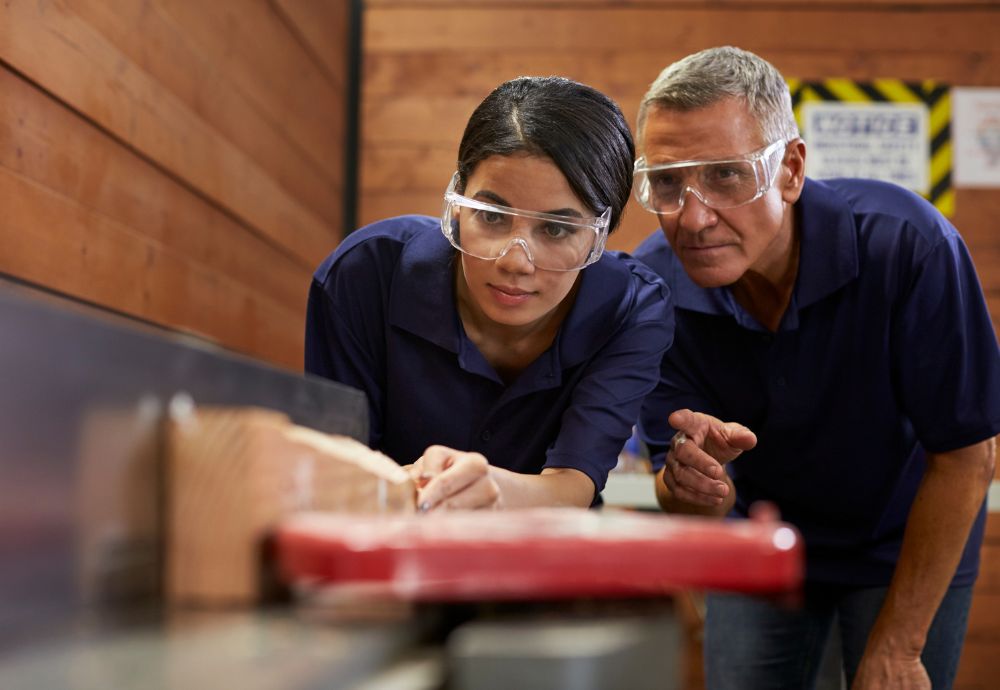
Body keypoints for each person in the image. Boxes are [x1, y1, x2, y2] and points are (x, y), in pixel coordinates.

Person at [632, 46, 1000, 689]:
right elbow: (683, 501)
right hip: (761, 543)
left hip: (905, 538)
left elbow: (968, 455)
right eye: (668, 182)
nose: (692, 217)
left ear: (791, 170)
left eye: (725, 175)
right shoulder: (653, 289)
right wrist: (692, 489)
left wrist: (899, 645)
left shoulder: (907, 246)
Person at [306, 76, 673, 513]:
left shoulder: (632, 309)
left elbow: (574, 484)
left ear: (601, 235)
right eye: (493, 218)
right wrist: (409, 486)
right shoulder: (364, 275)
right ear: (458, 201)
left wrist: (489, 490)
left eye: (556, 229)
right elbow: (332, 474)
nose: (516, 261)